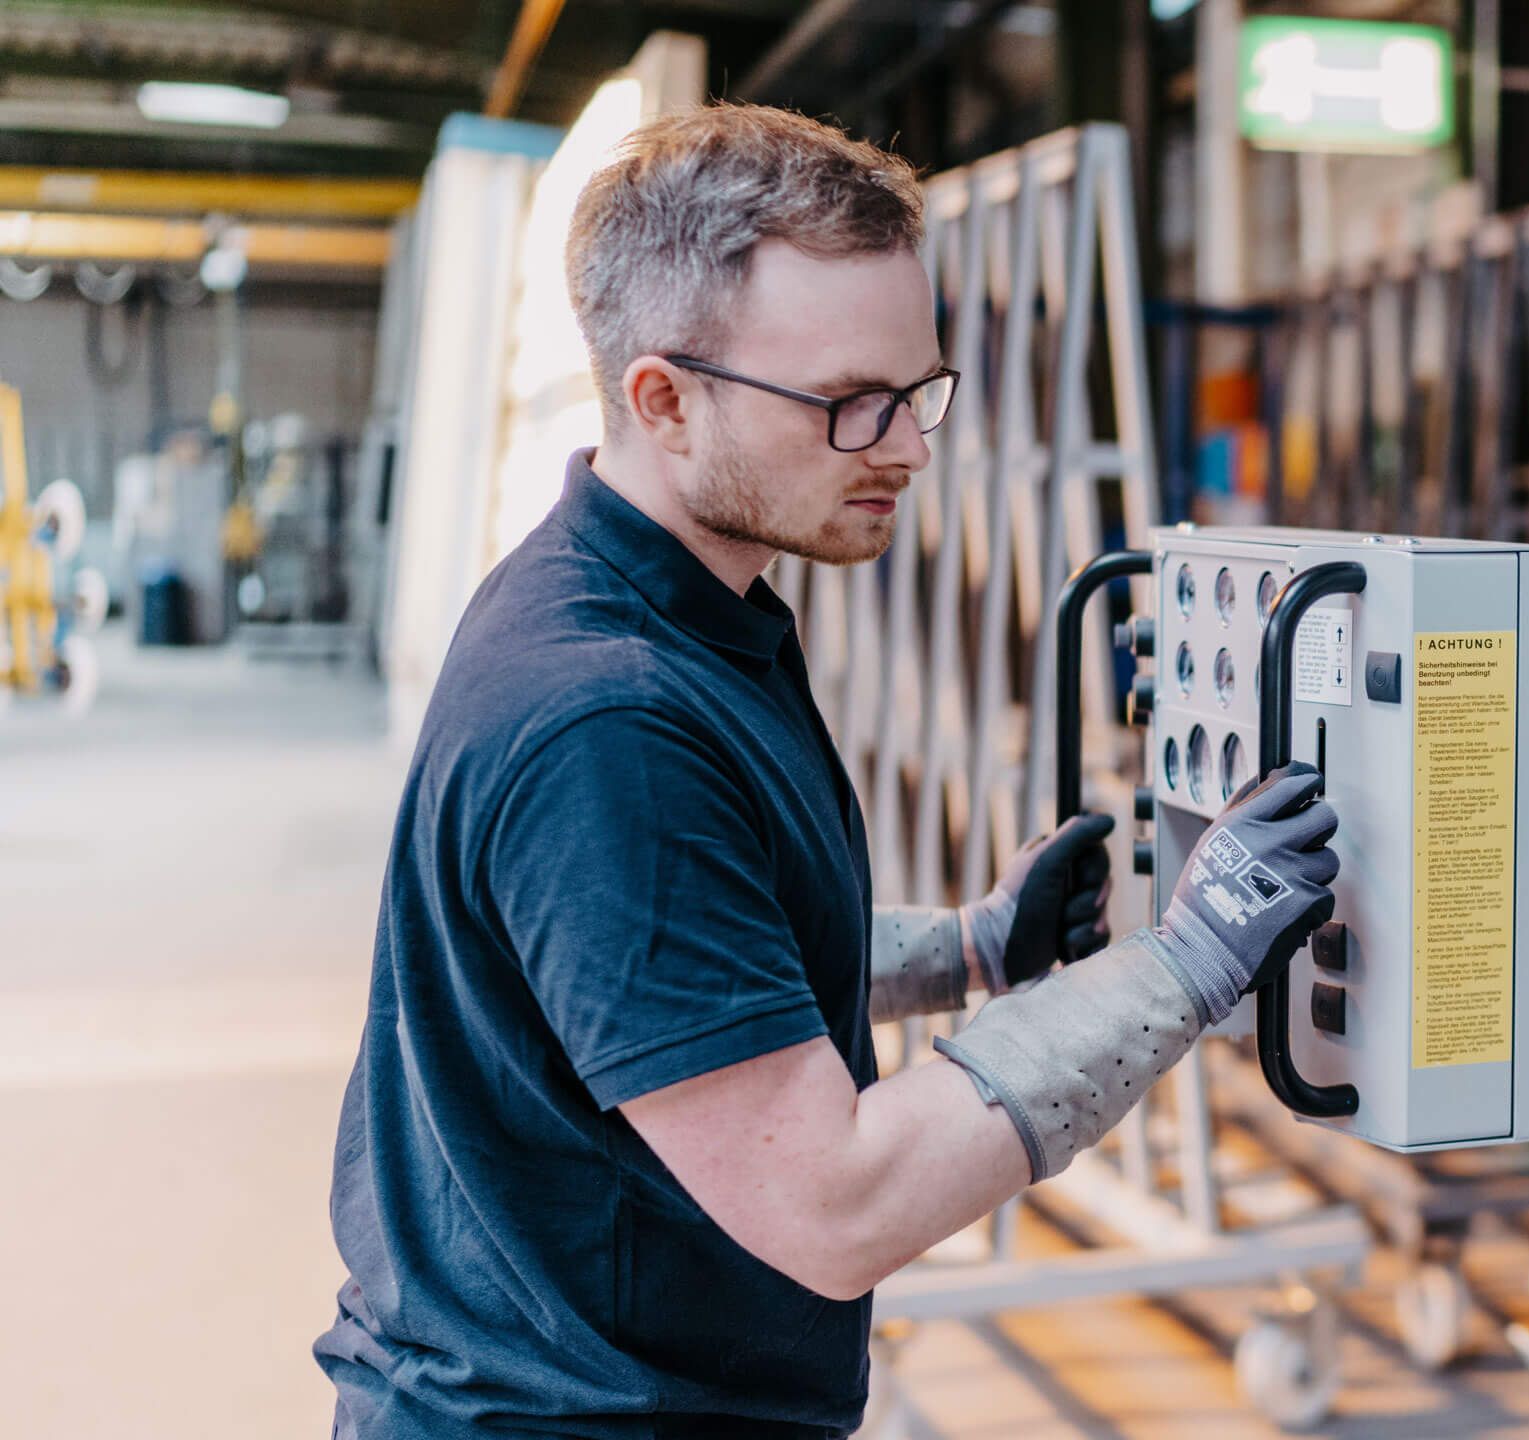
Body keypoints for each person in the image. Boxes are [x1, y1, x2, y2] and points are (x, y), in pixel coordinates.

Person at [316, 103, 1341, 1438]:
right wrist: (1187, 962)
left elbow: (679, 982)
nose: (910, 448)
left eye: (918, 393)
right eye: (852, 406)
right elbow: (832, 1204)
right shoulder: (605, 725)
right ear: (664, 400)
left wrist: (967, 951)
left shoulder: (667, 610)